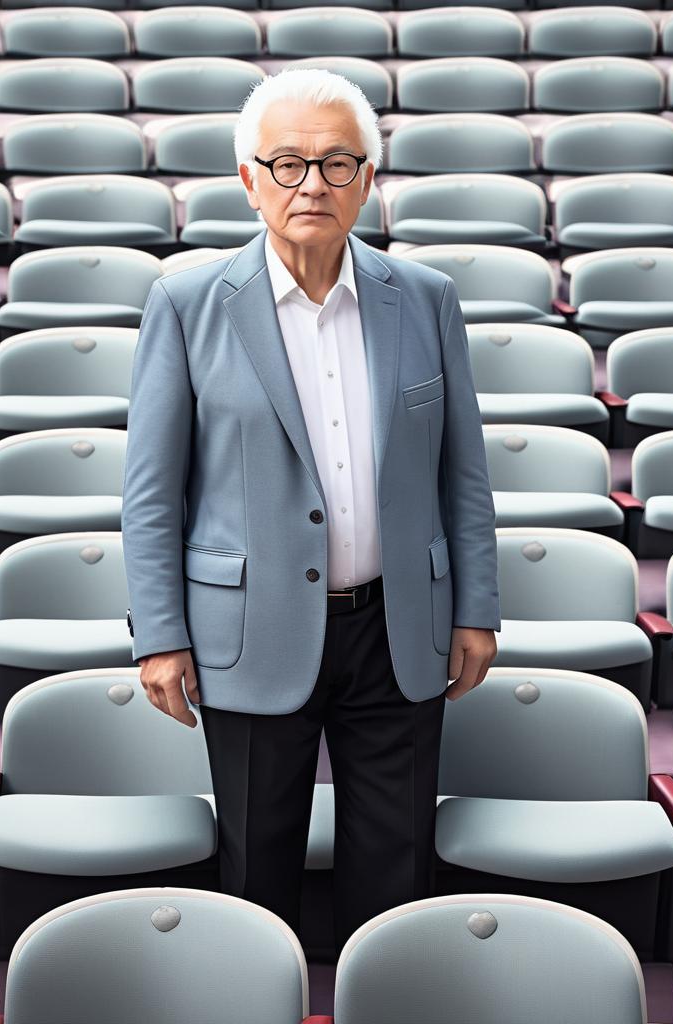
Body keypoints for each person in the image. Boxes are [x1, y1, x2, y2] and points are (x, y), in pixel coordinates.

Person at [121, 68, 500, 956]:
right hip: (249, 629)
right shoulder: (185, 303)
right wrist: (159, 634)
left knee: (396, 863)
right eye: (287, 163)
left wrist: (476, 606)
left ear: (369, 177)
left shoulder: (427, 298)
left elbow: (464, 472)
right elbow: (151, 491)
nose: (312, 186)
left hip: (397, 623)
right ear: (248, 179)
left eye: (337, 163)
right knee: (257, 865)